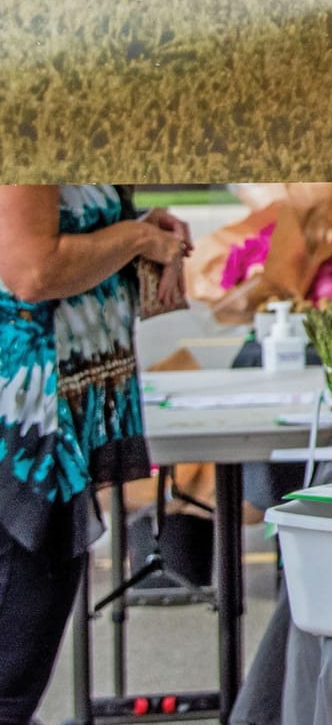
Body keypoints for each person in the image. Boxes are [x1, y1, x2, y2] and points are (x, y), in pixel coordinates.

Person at [0, 184, 189, 725]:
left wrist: (138, 230)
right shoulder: (26, 135)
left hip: (57, 432)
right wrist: (136, 239)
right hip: (27, 435)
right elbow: (33, 269)